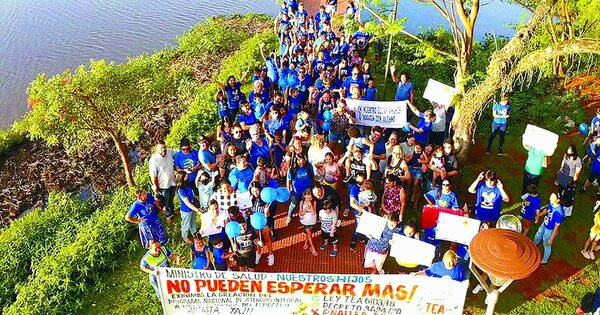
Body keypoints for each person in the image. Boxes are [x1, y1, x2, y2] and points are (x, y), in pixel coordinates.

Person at [149, 140, 176, 224]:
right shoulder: (154, 159)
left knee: (171, 200)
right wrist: (156, 186)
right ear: (157, 149)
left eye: (164, 147)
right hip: (163, 186)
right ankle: (169, 218)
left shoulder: (170, 152)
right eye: (161, 148)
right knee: (167, 202)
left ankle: (172, 211)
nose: (163, 150)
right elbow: (153, 175)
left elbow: (178, 152)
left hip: (172, 182)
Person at [534, 193, 564, 265]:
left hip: (549, 230)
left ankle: (544, 261)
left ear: (558, 200)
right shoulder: (552, 204)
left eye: (552, 199)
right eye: (550, 198)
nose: (550, 200)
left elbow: (556, 227)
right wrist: (538, 215)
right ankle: (533, 245)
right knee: (538, 235)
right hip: (545, 223)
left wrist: (551, 238)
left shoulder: (559, 213)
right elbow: (546, 210)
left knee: (546, 244)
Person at [286, 153, 314, 225]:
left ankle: (308, 218)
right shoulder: (292, 169)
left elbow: (312, 175)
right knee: (294, 204)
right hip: (297, 191)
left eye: (302, 160)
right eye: (299, 160)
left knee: (309, 204)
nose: (301, 162)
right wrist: (288, 187)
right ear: (296, 161)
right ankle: (289, 215)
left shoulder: (309, 166)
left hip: (308, 191)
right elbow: (288, 179)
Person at [176, 171, 201, 244]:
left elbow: (192, 196)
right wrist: (197, 210)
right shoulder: (181, 190)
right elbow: (187, 203)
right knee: (186, 224)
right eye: (186, 175)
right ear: (182, 178)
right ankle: (185, 237)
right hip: (186, 210)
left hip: (192, 208)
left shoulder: (187, 185)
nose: (187, 176)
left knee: (193, 221)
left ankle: (194, 233)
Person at [299, 189, 319, 256]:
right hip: (305, 220)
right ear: (304, 196)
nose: (308, 199)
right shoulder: (301, 203)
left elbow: (313, 213)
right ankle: (312, 248)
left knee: (309, 232)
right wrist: (305, 208)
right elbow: (301, 213)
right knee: (309, 234)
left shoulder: (314, 202)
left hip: (312, 219)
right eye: (307, 197)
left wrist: (311, 205)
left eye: (310, 197)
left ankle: (306, 242)